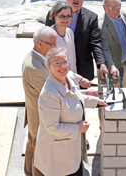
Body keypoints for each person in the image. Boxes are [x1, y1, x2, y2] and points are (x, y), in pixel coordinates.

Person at [22, 26, 98, 176]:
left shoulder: (37, 57)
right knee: (43, 160)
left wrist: (78, 80)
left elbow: (64, 73)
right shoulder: (37, 69)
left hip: (39, 114)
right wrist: (84, 94)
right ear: (40, 44)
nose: (56, 46)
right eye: (52, 44)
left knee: (34, 150)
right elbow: (59, 92)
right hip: (44, 119)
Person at [34, 47, 107, 176]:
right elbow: (52, 127)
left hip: (72, 151)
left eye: (64, 62)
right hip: (57, 157)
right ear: (49, 66)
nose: (62, 66)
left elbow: (75, 97)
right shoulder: (49, 94)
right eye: (57, 63)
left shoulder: (68, 77)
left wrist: (95, 102)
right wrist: (78, 128)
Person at [45, 0, 108, 81]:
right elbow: (47, 40)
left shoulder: (91, 17)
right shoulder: (54, 14)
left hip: (83, 69)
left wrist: (101, 63)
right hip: (58, 69)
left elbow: (95, 42)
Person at [99, 0, 126, 87]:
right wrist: (112, 66)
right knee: (110, 98)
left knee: (125, 93)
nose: (115, 10)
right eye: (110, 7)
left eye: (117, 6)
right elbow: (105, 49)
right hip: (112, 67)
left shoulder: (124, 14)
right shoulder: (101, 25)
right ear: (104, 7)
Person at [48, 0, 78, 73]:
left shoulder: (70, 33)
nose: (65, 19)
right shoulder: (48, 36)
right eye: (62, 16)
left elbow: (73, 60)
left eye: (68, 16)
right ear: (55, 16)